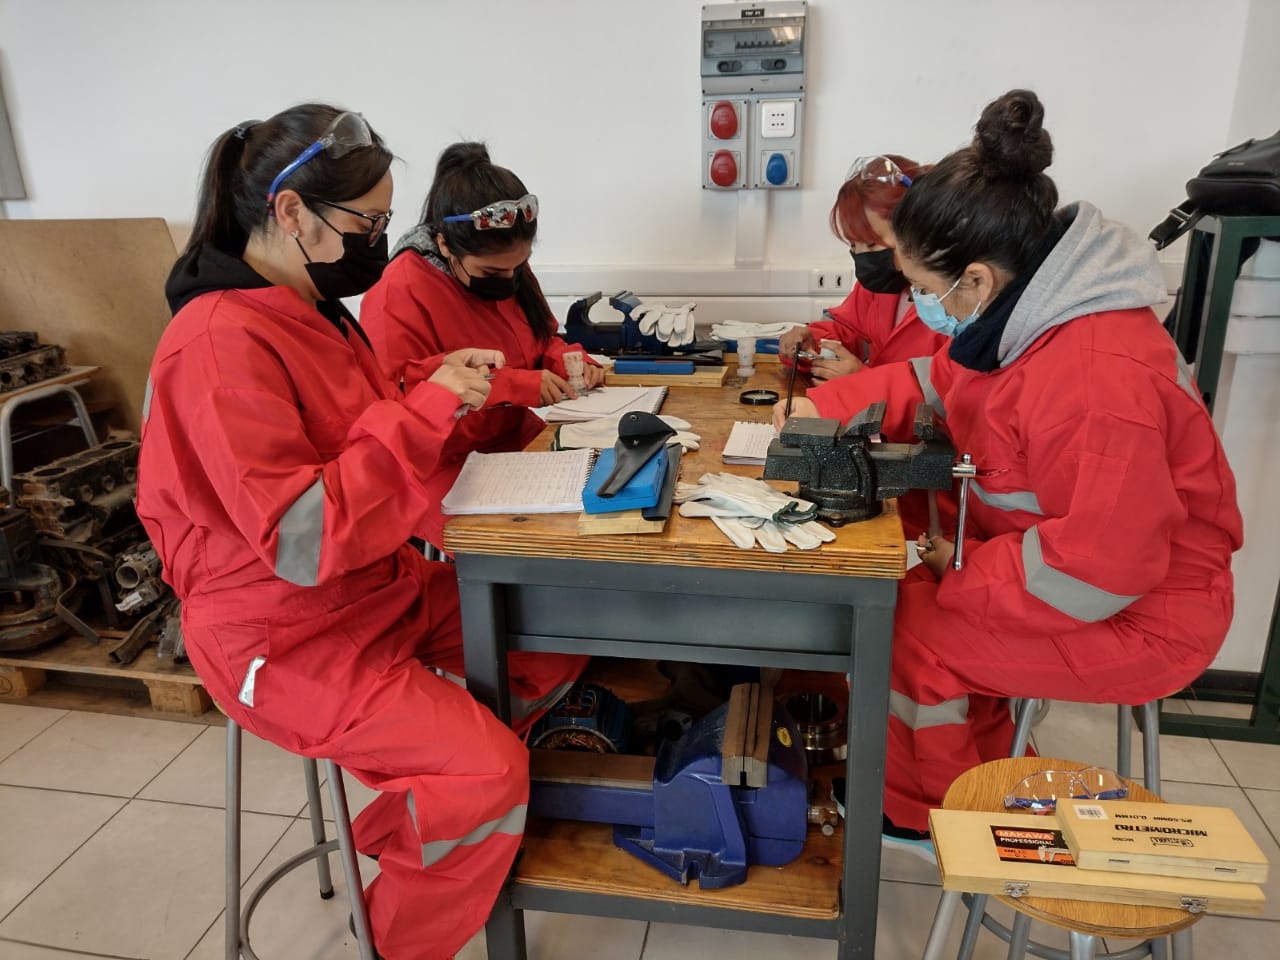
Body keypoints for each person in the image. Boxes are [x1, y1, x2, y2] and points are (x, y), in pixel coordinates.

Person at [135, 104, 585, 959]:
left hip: (372, 591)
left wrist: (447, 381)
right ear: (291, 211)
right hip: (282, 632)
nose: (383, 240)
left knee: (552, 626)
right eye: (367, 223)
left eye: (386, 219)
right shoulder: (218, 344)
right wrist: (424, 410)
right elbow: (303, 538)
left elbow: (366, 403)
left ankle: (429, 820)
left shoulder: (308, 310)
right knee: (486, 772)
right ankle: (406, 920)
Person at [776, 90, 1242, 856]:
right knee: (892, 608)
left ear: (978, 282)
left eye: (926, 291)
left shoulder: (1096, 376)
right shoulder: (1031, 322)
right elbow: (936, 383)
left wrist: (959, 573)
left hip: (1144, 614)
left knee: (900, 631)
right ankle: (922, 783)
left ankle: (947, 813)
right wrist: (819, 409)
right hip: (1087, 579)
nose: (922, 306)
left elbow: (1097, 569)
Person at [361, 142, 604, 547]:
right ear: (444, 244)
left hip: (515, 445)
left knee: (597, 513)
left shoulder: (506, 269)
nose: (508, 280)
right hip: (443, 467)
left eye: (518, 267)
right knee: (528, 551)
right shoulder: (399, 291)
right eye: (493, 271)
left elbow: (542, 339)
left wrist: (569, 361)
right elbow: (401, 397)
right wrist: (514, 386)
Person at [778, 154, 948, 381]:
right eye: (853, 244)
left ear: (915, 228)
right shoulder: (878, 287)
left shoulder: (953, 304)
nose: (861, 256)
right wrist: (810, 342)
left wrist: (862, 381)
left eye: (870, 243)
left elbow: (948, 393)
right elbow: (847, 330)